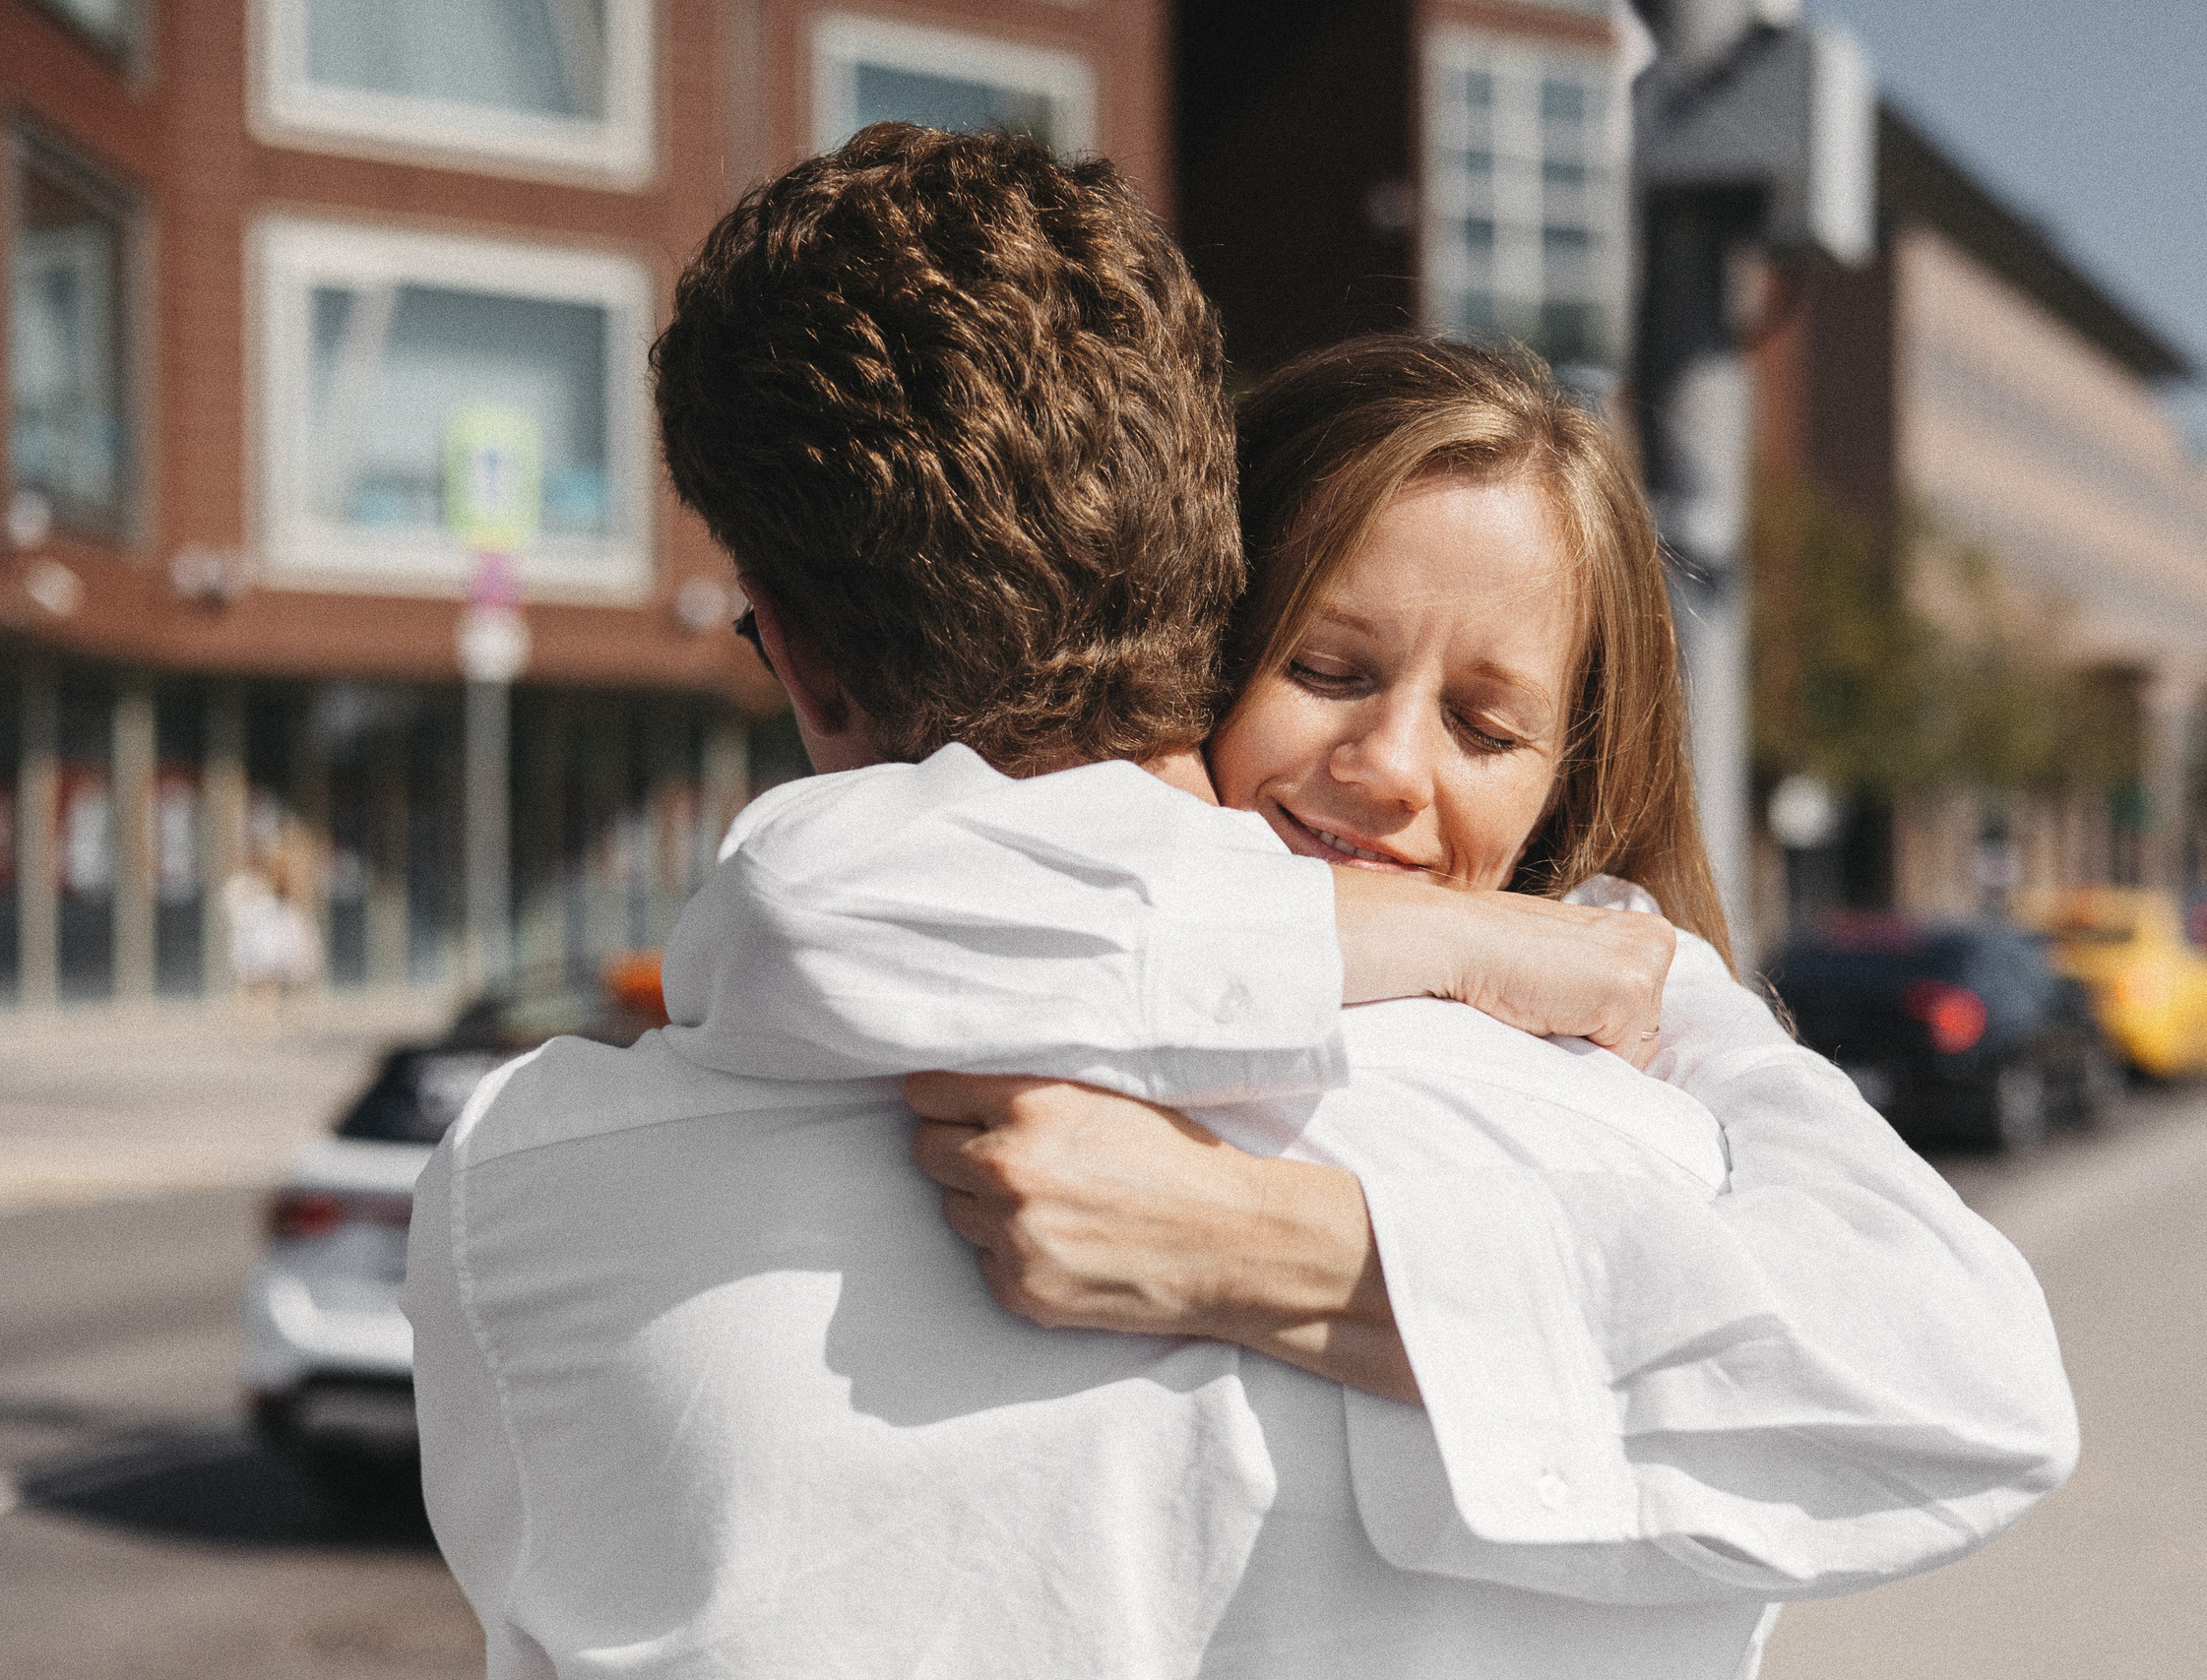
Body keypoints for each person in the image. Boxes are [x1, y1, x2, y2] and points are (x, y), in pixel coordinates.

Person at [407, 127, 2073, 1680]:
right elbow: (818, 901)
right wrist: (1572, 971)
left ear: (794, 647)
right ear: (1216, 611)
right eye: (1328, 666)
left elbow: (1982, 1390)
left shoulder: (535, 1185)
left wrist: (1287, 1249)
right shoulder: (1647, 1186)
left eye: (1487, 724)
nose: (1386, 770)